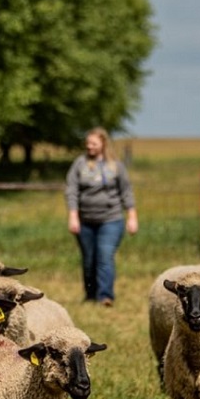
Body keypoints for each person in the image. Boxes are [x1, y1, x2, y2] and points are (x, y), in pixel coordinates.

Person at [65, 127, 138, 307]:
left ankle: (105, 296)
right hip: (85, 221)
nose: (89, 146)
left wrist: (132, 216)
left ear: (103, 144)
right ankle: (90, 294)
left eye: (94, 143)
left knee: (104, 256)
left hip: (111, 220)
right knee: (89, 260)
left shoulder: (116, 166)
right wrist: (73, 216)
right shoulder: (79, 164)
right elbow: (71, 190)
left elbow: (126, 191)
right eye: (88, 143)